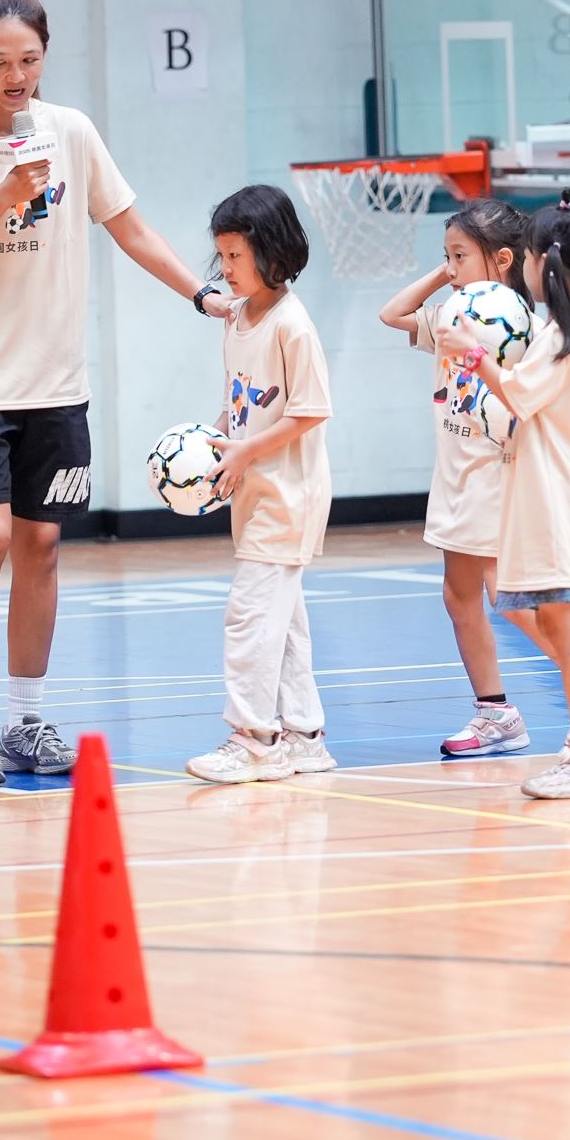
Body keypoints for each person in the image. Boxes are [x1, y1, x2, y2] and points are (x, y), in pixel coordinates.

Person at [0, 0, 231, 789]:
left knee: (41, 547)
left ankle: (24, 721)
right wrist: (1, 201)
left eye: (30, 60)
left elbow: (130, 227)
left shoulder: (72, 133)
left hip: (54, 380)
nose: (16, 77)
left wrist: (202, 294)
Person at [439, 197, 570, 799]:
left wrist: (472, 349)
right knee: (557, 621)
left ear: (538, 263)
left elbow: (516, 397)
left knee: (563, 626)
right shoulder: (566, 330)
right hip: (550, 504)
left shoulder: (561, 335)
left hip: (557, 508)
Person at [376, 200, 552, 759]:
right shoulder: (452, 312)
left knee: (508, 596)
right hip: (453, 474)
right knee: (458, 597)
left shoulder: (521, 324)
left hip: (492, 472)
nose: (451, 268)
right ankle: (496, 712)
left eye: (460, 256)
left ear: (503, 260)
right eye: (446, 256)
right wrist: (447, 273)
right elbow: (392, 313)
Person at [186, 185, 337, 782]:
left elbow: (310, 412)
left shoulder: (292, 326)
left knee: (249, 616)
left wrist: (247, 450)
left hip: (288, 497)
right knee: (285, 620)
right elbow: (239, 405)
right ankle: (304, 734)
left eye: (235, 257)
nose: (225, 270)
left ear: (272, 253)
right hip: (253, 493)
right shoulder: (238, 317)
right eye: (220, 257)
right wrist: (213, 443)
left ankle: (253, 738)